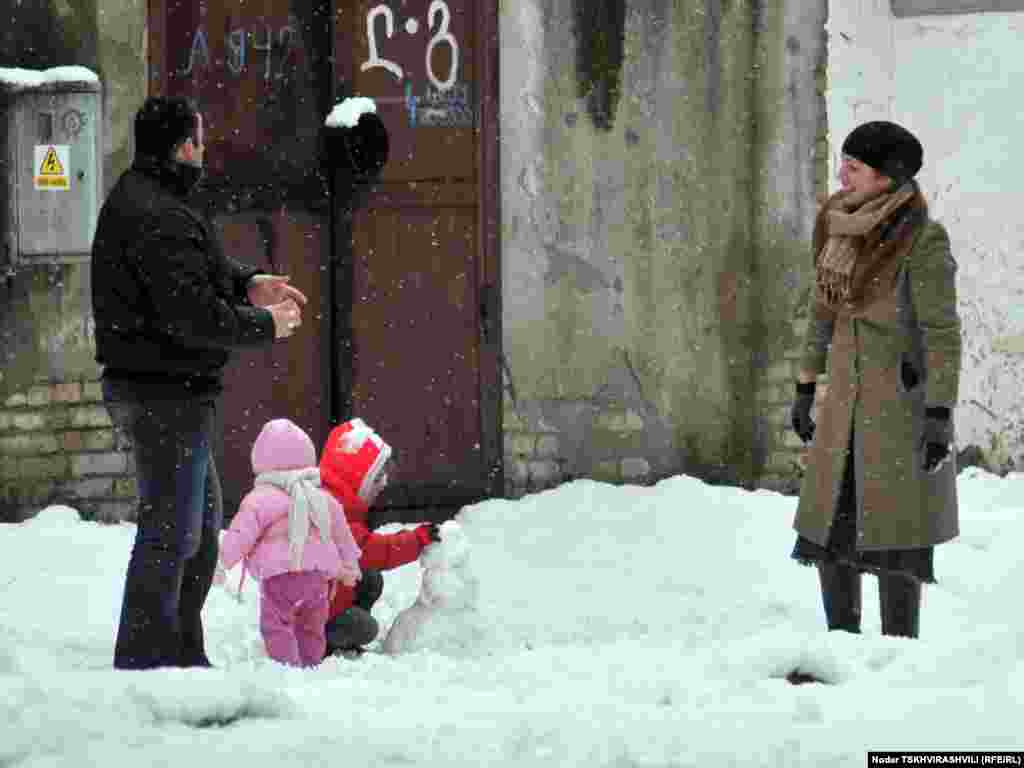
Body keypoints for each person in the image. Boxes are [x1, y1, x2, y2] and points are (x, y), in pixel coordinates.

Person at [91, 96, 308, 669]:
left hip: (172, 390)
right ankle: (145, 663)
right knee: (173, 532)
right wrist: (266, 325)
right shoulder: (156, 213)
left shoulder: (157, 200)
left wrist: (249, 284)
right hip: (161, 392)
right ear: (184, 146)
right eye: (200, 141)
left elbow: (198, 271)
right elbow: (190, 315)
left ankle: (181, 654)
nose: (204, 152)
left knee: (199, 530)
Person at [789, 120, 962, 639]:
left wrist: (938, 413)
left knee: (895, 541)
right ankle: (841, 646)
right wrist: (804, 387)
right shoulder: (837, 228)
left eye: (855, 165)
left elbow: (941, 331)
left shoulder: (922, 239)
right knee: (831, 537)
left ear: (888, 177)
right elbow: (823, 315)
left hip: (897, 414)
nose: (842, 173)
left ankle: (897, 656)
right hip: (842, 413)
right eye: (844, 161)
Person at [219, 419, 362, 667]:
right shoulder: (322, 498)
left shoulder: (260, 499)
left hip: (280, 578)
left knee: (276, 623)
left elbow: (241, 534)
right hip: (318, 578)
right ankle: (310, 664)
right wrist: (350, 565)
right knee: (311, 624)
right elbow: (342, 534)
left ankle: (289, 668)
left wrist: (221, 561)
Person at [318, 418, 441, 656]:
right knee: (367, 629)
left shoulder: (331, 500)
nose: (383, 484)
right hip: (314, 614)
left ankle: (341, 625)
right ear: (353, 478)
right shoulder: (332, 514)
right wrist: (417, 540)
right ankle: (326, 641)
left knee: (370, 578)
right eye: (376, 478)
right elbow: (375, 550)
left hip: (328, 593)